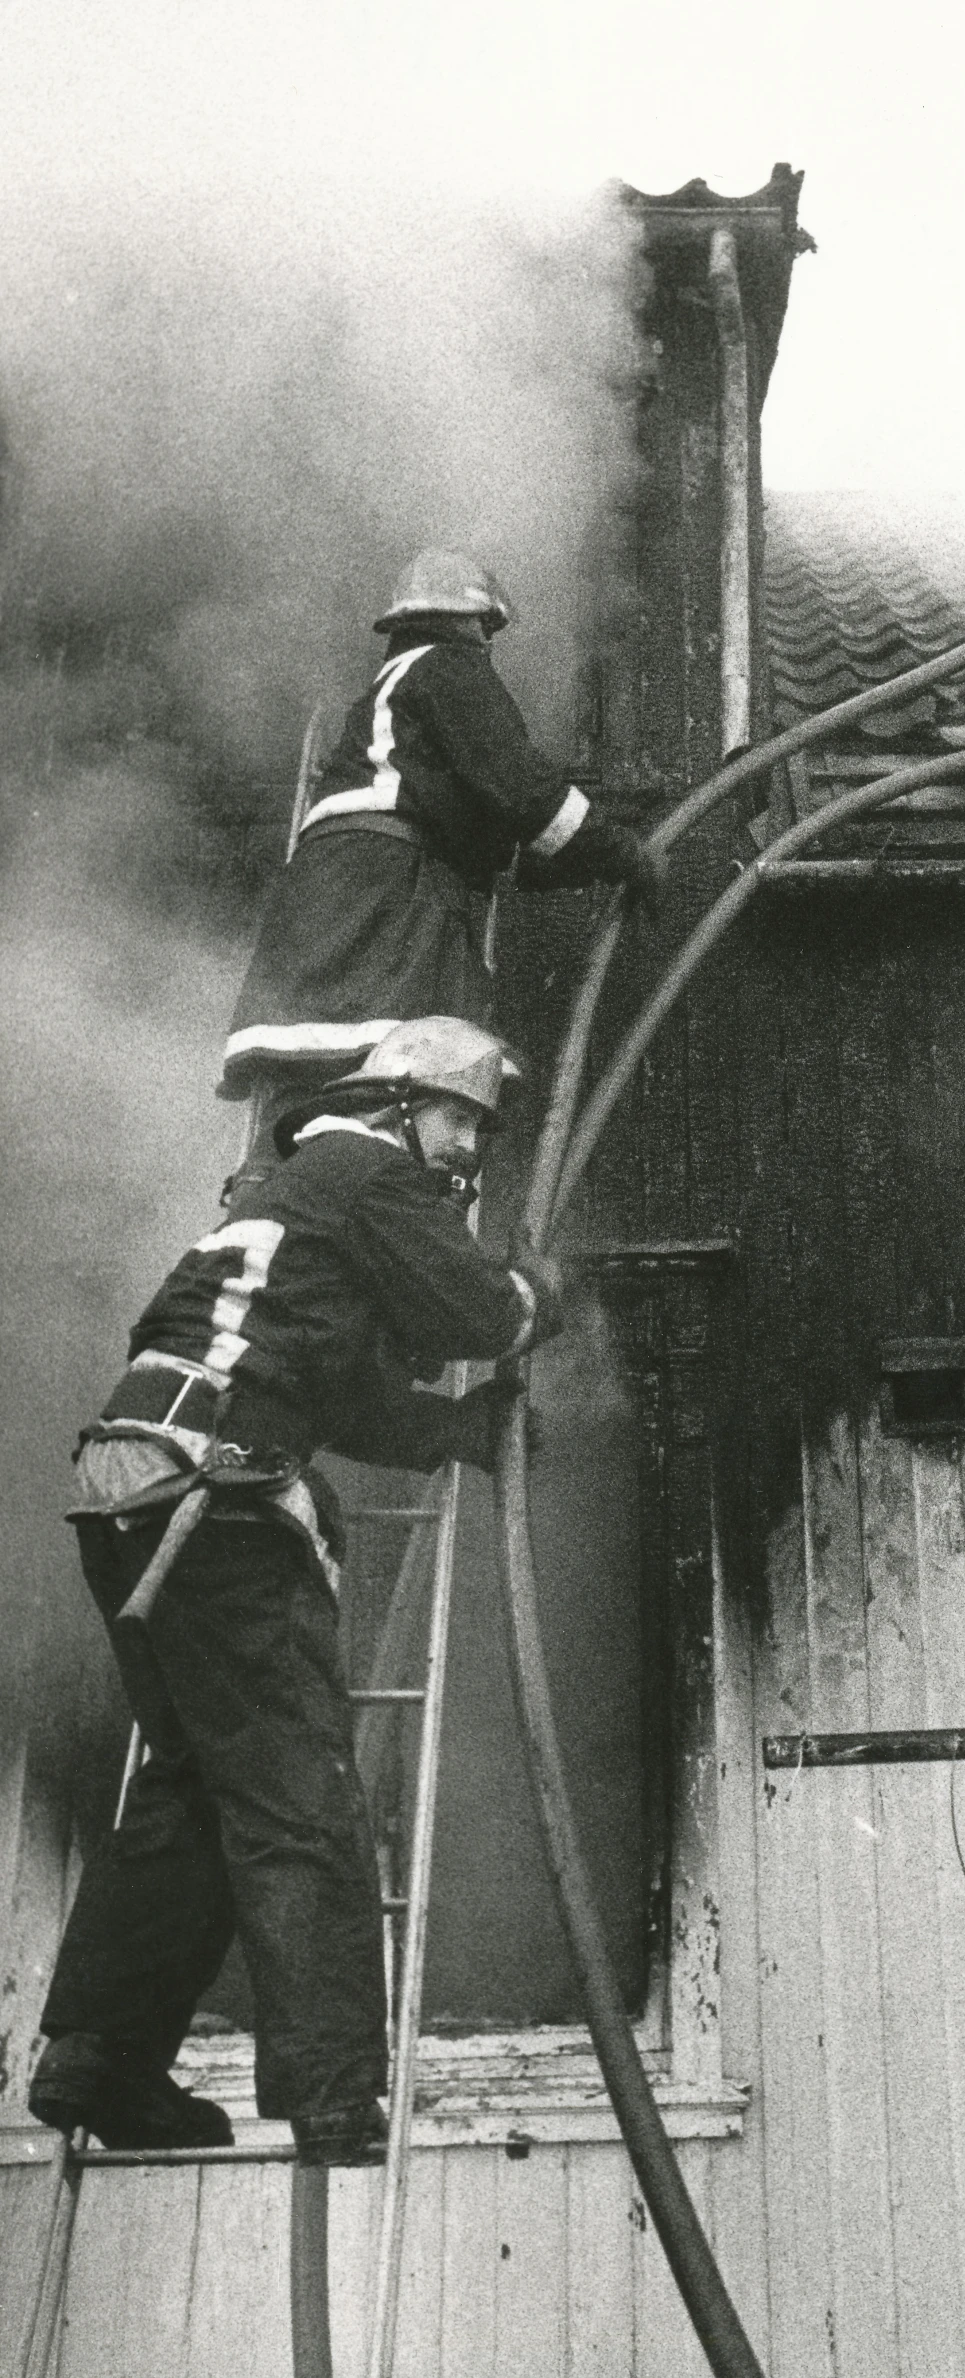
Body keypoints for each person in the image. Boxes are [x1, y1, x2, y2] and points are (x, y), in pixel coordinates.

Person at [28, 1018, 559, 2166]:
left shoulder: (290, 1202)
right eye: (457, 1116)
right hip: (210, 1507)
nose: (466, 1145)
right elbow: (478, 1310)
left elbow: (348, 1396)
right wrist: (540, 1292)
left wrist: (457, 1429)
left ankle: (99, 2058)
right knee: (300, 1797)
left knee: (198, 1788)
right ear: (396, 1102)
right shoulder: (368, 1168)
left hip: (133, 1491)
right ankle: (330, 2096)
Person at [220, 549, 664, 1146]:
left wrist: (569, 859)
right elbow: (523, 791)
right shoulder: (448, 667)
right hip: (387, 890)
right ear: (472, 620)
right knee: (414, 1072)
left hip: (335, 894)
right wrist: (625, 854)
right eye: (486, 630)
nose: (486, 644)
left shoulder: (393, 700)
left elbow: (485, 831)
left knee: (334, 1073)